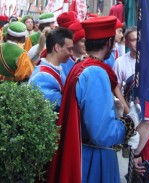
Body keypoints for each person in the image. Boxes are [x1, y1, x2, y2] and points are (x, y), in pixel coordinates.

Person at [47, 15, 140, 183]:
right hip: (94, 161)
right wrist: (128, 124)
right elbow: (102, 133)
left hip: (83, 153)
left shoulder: (81, 65)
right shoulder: (95, 73)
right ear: (108, 43)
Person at [28, 27, 73, 111]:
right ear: (57, 47)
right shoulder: (41, 77)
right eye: (69, 49)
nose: (71, 53)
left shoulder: (56, 69)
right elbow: (60, 103)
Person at [113, 26, 137, 91]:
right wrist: (123, 101)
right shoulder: (120, 62)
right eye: (133, 40)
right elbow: (116, 88)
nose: (137, 43)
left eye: (138, 39)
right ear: (126, 43)